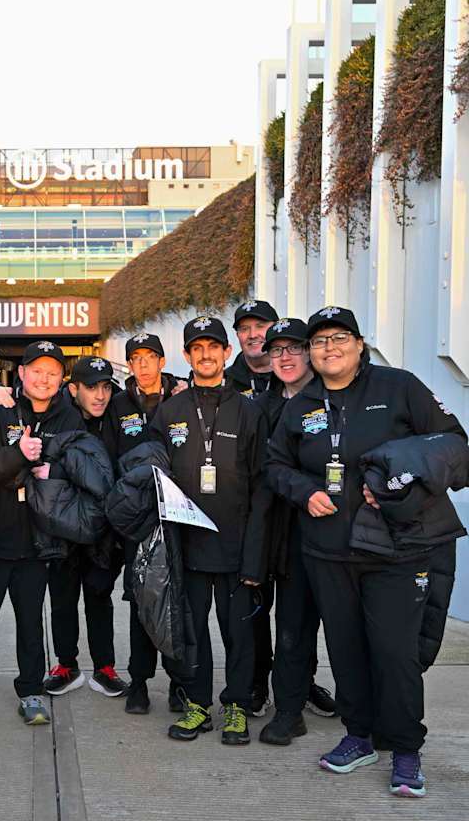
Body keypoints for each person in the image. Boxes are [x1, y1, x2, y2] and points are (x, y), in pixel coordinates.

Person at [266, 305, 466, 797]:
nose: (329, 348)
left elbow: (454, 444)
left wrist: (400, 479)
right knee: (346, 649)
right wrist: (301, 490)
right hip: (328, 551)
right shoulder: (301, 404)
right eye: (319, 342)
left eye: (339, 338)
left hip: (398, 549)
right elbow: (274, 463)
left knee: (395, 653)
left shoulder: (400, 387)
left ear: (359, 344)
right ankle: (358, 736)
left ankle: (404, 749)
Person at [149, 315, 268, 745]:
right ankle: (197, 704)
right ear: (186, 355)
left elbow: (262, 487)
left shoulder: (249, 410)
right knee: (192, 632)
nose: (205, 354)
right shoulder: (170, 411)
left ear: (226, 353)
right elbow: (152, 475)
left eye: (213, 347)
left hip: (235, 549)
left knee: (239, 631)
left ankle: (236, 705)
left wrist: (257, 554)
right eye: (196, 348)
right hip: (188, 548)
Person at [0, 340, 85, 727]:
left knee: (32, 623)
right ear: (21, 373)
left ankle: (31, 690)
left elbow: (84, 465)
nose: (43, 379)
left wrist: (57, 473)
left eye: (52, 373)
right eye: (36, 371)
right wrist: (19, 453)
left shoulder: (69, 417)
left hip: (37, 543)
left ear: (62, 379)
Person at [254, 319, 336, 746]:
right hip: (283, 534)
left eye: (294, 349)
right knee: (291, 625)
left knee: (346, 626)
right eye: (276, 350)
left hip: (338, 530)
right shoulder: (261, 406)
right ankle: (288, 708)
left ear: (310, 353)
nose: (284, 358)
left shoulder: (337, 397)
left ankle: (364, 710)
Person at [108, 332, 186, 715]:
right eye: (135, 358)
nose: (142, 364)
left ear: (161, 360)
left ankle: (179, 683)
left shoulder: (181, 398)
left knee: (176, 600)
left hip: (176, 516)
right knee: (140, 599)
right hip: (137, 520)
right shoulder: (118, 403)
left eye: (149, 357)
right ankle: (139, 682)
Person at [42, 356, 127, 698]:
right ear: (73, 388)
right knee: (62, 600)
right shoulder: (56, 415)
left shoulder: (118, 417)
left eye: (106, 387)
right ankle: (66, 664)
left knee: (98, 596)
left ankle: (104, 667)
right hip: (63, 531)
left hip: (103, 534)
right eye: (91, 387)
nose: (100, 395)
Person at [224, 299, 279, 716]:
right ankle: (256, 683)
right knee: (254, 608)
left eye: (261, 325)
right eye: (244, 328)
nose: (253, 333)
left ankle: (299, 682)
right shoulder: (225, 385)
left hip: (295, 513)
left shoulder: (297, 377)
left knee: (299, 612)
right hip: (248, 517)